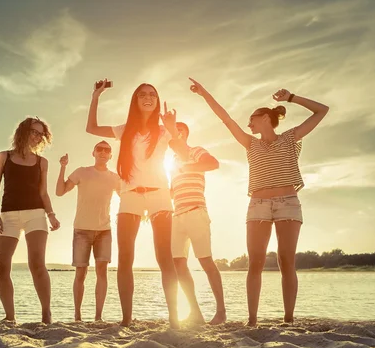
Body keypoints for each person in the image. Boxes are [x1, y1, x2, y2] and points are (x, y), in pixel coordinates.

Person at [188, 78, 329, 326]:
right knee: (256, 261)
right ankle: (252, 320)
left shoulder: (289, 138)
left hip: (288, 202)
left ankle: (288, 319)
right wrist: (203, 93)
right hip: (258, 204)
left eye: (252, 118)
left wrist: (292, 98)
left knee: (287, 260)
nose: (248, 123)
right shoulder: (250, 144)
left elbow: (322, 111)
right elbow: (225, 119)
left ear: (265, 117)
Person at [86, 79, 186, 328]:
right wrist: (96, 96)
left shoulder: (163, 131)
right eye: (142, 94)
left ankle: (174, 318)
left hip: (159, 195)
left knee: (165, 258)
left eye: (152, 94)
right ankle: (127, 319)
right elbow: (91, 128)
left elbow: (183, 155)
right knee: (125, 257)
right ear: (135, 100)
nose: (148, 97)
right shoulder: (124, 129)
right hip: (130, 194)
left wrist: (172, 128)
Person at [0, 117, 60, 324]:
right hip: (8, 215)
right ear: (23, 131)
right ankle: (10, 317)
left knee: (37, 264)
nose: (37, 137)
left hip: (36, 214)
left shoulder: (42, 162)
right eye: (34, 132)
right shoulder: (4, 156)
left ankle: (46, 314)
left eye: (41, 134)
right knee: (2, 267)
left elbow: (43, 193)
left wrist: (51, 214)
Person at [55, 141, 120, 322]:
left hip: (104, 231)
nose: (103, 152)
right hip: (82, 230)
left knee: (102, 272)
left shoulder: (115, 178)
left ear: (110, 155)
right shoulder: (82, 172)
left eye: (107, 150)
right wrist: (62, 167)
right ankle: (77, 316)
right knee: (80, 273)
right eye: (99, 148)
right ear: (93, 152)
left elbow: (127, 196)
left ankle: (98, 317)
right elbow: (59, 192)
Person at [170, 122, 227, 325]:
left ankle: (221, 312)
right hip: (177, 216)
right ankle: (195, 312)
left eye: (177, 131)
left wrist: (187, 166)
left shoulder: (195, 151)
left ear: (185, 134)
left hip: (196, 212)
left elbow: (213, 163)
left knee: (205, 261)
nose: (172, 134)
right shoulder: (172, 163)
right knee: (178, 263)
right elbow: (172, 191)